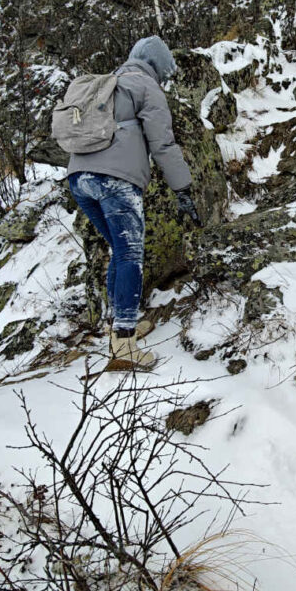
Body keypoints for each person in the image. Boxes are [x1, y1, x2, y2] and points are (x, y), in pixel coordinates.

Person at [67, 36, 201, 369]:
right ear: (157, 65)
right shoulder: (146, 86)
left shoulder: (108, 85)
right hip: (116, 180)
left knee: (118, 250)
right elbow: (164, 145)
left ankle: (119, 330)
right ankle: (124, 342)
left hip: (79, 178)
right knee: (130, 254)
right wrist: (182, 188)